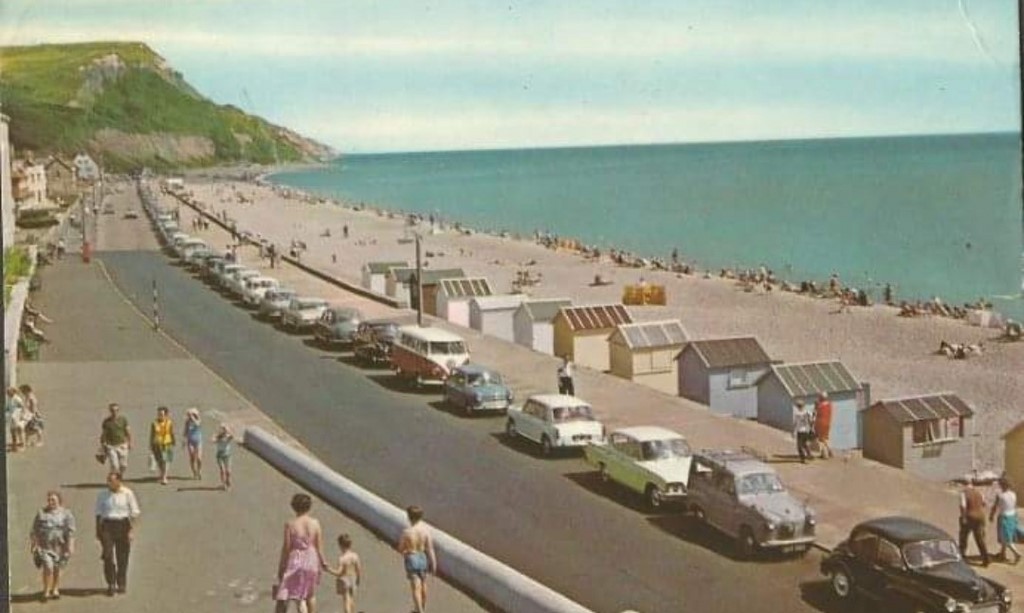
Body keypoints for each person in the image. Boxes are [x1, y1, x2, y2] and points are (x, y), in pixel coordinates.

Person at [274, 493, 325, 613]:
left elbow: (287, 548)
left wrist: (282, 567)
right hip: (312, 559)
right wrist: (322, 563)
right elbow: (319, 546)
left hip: (297, 560)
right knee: (310, 594)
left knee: (293, 595)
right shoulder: (315, 523)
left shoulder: (290, 524)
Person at [95, 472, 140, 595]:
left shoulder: (127, 493)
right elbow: (98, 513)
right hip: (107, 525)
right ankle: (111, 582)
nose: (110, 483)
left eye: (112, 481)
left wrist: (131, 530)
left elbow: (134, 512)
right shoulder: (103, 494)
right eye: (108, 481)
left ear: (119, 481)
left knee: (122, 556)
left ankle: (121, 582)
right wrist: (98, 530)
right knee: (107, 555)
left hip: (123, 524)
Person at [30, 490, 76, 601]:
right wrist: (34, 544)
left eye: (53, 500)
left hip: (60, 546)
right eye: (49, 500)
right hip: (45, 546)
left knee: (57, 568)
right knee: (48, 566)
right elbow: (34, 530)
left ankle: (55, 589)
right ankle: (46, 590)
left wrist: (70, 545)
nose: (51, 502)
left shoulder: (66, 514)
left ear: (59, 501)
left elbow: (71, 531)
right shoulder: (41, 513)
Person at [399, 505, 437, 613]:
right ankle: (422, 607)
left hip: (412, 557)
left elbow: (401, 548)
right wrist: (434, 564)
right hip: (422, 557)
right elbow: (430, 549)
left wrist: (405, 552)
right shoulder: (426, 532)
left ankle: (419, 610)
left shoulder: (407, 532)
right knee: (423, 583)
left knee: (415, 587)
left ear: (409, 517)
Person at [323, 534, 362, 613]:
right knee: (351, 598)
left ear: (341, 545)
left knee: (346, 599)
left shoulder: (342, 559)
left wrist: (328, 569)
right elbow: (358, 569)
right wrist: (358, 578)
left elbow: (339, 573)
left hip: (344, 580)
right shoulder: (355, 556)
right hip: (353, 578)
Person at [990, 478, 1022, 564]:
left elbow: (994, 507)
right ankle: (1002, 554)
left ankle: (1017, 554)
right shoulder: (1013, 494)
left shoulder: (1000, 496)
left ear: (1002, 485)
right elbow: (1014, 506)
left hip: (1004, 517)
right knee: (1006, 536)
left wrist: (991, 516)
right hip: (1012, 516)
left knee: (1006, 538)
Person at [959, 481, 991, 566]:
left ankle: (962, 555)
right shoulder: (979, 493)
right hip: (980, 517)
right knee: (979, 538)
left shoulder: (964, 493)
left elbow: (963, 506)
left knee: (963, 536)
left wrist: (963, 517)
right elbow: (984, 504)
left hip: (970, 516)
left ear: (964, 485)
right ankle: (986, 558)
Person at [100, 403, 132, 477]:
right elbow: (104, 434)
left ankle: (119, 475)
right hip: (111, 446)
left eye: (116, 410)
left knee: (123, 465)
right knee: (114, 465)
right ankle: (113, 478)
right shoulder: (106, 422)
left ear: (118, 411)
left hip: (122, 445)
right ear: (110, 411)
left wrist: (130, 442)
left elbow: (128, 432)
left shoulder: (123, 420)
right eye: (112, 410)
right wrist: (103, 444)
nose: (114, 412)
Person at [149, 406, 175, 485]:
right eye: (159, 414)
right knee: (159, 461)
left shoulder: (169, 422)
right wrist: (151, 444)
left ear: (166, 415)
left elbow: (171, 432)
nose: (160, 416)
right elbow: (152, 434)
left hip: (167, 444)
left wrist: (173, 441)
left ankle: (164, 477)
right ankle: (162, 473)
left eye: (162, 414)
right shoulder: (154, 423)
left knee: (166, 460)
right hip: (157, 444)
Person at [182, 408, 203, 480]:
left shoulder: (198, 420)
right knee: (192, 457)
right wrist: (184, 441)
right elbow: (185, 431)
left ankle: (199, 470)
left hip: (198, 441)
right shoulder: (187, 422)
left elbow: (197, 424)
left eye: (193, 414)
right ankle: (194, 472)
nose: (190, 416)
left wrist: (193, 418)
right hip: (190, 441)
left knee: (199, 458)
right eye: (189, 414)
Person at [813, 392, 833, 459]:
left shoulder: (819, 406)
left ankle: (825, 455)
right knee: (825, 438)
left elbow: (814, 413)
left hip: (820, 423)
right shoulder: (829, 405)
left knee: (821, 439)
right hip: (827, 423)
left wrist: (815, 406)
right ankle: (830, 451)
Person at [7, 386, 27, 451]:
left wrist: (22, 416)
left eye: (8, 391)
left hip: (17, 417)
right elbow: (8, 408)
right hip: (12, 417)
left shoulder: (17, 398)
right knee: (12, 431)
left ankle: (23, 446)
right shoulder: (9, 398)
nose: (7, 392)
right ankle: (14, 446)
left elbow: (23, 407)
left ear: (13, 391)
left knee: (20, 431)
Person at [214, 424, 234, 490]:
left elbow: (232, 436)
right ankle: (223, 484)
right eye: (223, 430)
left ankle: (228, 482)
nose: (224, 431)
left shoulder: (228, 437)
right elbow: (213, 440)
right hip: (220, 455)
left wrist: (228, 431)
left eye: (225, 430)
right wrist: (218, 438)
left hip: (227, 455)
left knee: (228, 471)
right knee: (222, 470)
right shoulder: (218, 437)